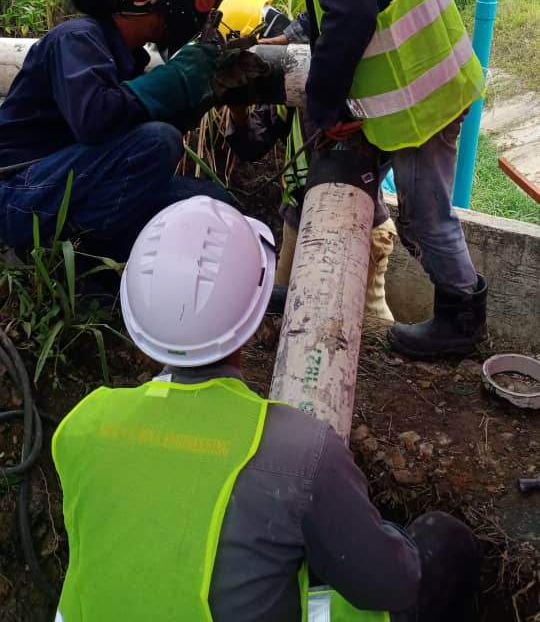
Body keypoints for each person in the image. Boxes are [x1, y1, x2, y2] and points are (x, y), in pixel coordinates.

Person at [52, 196, 481, 622]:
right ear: (256, 318)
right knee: (443, 542)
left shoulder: (83, 425)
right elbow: (390, 585)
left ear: (138, 315)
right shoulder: (301, 452)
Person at [217, 0, 488, 359]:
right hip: (432, 76)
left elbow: (354, 13)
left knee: (426, 219)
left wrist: (325, 103)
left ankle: (462, 321)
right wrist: (302, 33)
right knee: (402, 204)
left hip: (417, 95)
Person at [0, 0, 231, 262]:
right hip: (16, 193)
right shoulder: (76, 39)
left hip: (66, 186)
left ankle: (95, 247)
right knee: (158, 140)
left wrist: (205, 90)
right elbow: (95, 120)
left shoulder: (125, 55)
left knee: (211, 201)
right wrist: (178, 77)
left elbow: (126, 131)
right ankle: (72, 254)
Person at [221, 0, 396, 321]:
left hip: (356, 222)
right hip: (298, 218)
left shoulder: (333, 72)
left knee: (370, 326)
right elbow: (252, 146)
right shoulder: (287, 85)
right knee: (281, 312)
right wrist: (238, 110)